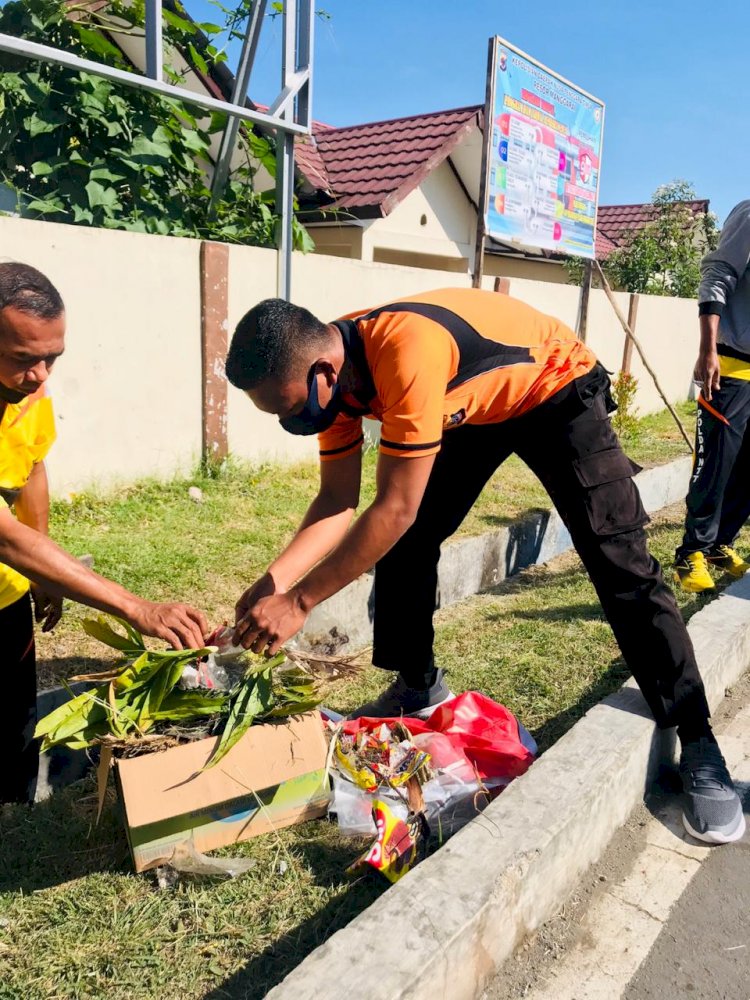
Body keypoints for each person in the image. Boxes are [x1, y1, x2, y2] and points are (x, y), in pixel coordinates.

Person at [226, 287, 744, 845]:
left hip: (554, 387)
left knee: (620, 559)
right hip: (481, 403)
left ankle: (696, 737)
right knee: (409, 540)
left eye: (292, 409)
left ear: (325, 369)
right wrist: (274, 582)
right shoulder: (331, 384)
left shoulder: (403, 350)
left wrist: (301, 602)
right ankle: (419, 685)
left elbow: (393, 508)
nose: (295, 421)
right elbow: (337, 501)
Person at [0, 263, 207, 804]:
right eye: (24, 359)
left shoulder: (27, 393)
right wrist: (137, 608)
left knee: (17, 727)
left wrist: (40, 575)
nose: (41, 375)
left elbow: (30, 470)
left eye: (52, 358)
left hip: (5, 592)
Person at [674, 200, 750, 593]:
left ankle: (720, 545)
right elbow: (718, 274)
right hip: (732, 367)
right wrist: (708, 351)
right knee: (715, 466)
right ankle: (691, 554)